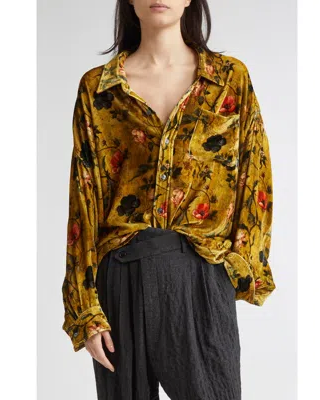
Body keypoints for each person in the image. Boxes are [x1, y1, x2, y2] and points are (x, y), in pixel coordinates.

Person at [61, 0, 276, 399]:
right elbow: (84, 198)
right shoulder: (99, 88)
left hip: (199, 273)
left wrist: (239, 265)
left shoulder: (229, 79)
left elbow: (255, 176)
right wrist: (85, 308)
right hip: (121, 276)